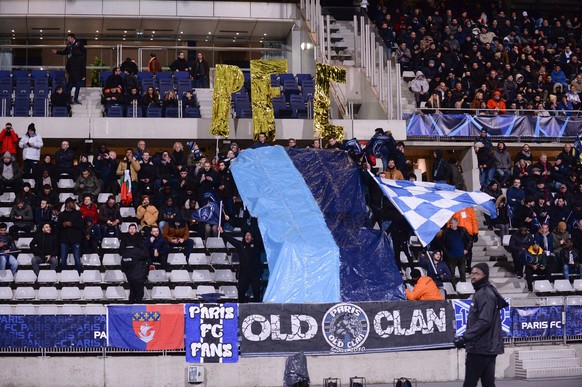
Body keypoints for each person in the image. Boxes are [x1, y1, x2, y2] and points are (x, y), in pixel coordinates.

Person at [455, 262, 507, 387]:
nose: (473, 276)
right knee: (488, 384)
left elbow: (484, 321)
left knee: (470, 383)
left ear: (485, 275)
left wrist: (465, 337)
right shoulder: (483, 292)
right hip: (487, 346)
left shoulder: (484, 293)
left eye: (477, 274)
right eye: (472, 273)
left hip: (481, 346)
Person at [222, 229, 263, 303]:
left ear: (252, 237)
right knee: (241, 292)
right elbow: (231, 240)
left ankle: (258, 307)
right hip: (244, 273)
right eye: (246, 235)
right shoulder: (240, 245)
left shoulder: (257, 245)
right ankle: (241, 307)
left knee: (256, 291)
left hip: (255, 273)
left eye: (249, 235)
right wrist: (222, 232)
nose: (247, 237)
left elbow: (261, 238)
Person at [52, 33, 86, 104]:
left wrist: (83, 75)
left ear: (73, 38)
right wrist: (57, 52)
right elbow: (64, 52)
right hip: (72, 68)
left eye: (69, 38)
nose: (68, 40)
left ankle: (76, 99)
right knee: (69, 85)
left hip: (78, 69)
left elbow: (83, 52)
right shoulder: (68, 45)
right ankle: (68, 99)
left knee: (78, 86)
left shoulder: (79, 43)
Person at [120, 223, 149, 303]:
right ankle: (136, 308)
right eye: (130, 228)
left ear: (136, 230)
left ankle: (132, 308)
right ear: (128, 230)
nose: (132, 230)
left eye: (134, 228)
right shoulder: (125, 240)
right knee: (137, 293)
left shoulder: (140, 239)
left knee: (133, 293)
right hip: (136, 275)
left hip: (134, 274)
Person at [57, 197, 83, 273]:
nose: (74, 204)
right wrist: (63, 224)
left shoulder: (78, 214)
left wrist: (72, 224)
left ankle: (79, 275)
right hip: (64, 239)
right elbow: (58, 226)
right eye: (72, 203)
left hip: (75, 239)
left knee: (77, 259)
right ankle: (63, 275)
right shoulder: (61, 215)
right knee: (63, 259)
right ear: (67, 204)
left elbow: (81, 225)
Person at [441, 217, 471, 284]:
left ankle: (463, 285)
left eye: (453, 223)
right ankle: (453, 287)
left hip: (461, 255)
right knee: (451, 272)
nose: (451, 225)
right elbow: (442, 243)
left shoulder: (462, 230)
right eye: (450, 223)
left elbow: (469, 240)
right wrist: (446, 252)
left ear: (457, 223)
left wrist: (466, 249)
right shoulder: (446, 231)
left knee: (462, 272)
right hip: (451, 255)